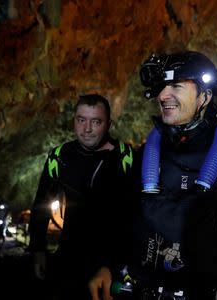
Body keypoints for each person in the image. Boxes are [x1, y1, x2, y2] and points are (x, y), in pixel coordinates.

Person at [89, 51, 217, 300]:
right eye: (162, 87)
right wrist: (106, 266)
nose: (163, 95)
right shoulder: (147, 156)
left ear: (205, 96)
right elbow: (123, 217)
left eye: (176, 85)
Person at [28, 94, 135, 300]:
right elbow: (41, 204)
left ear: (108, 124)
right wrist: (38, 249)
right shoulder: (59, 157)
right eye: (81, 120)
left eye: (96, 122)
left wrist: (114, 264)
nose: (87, 129)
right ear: (74, 120)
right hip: (69, 256)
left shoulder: (124, 158)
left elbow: (134, 214)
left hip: (110, 262)